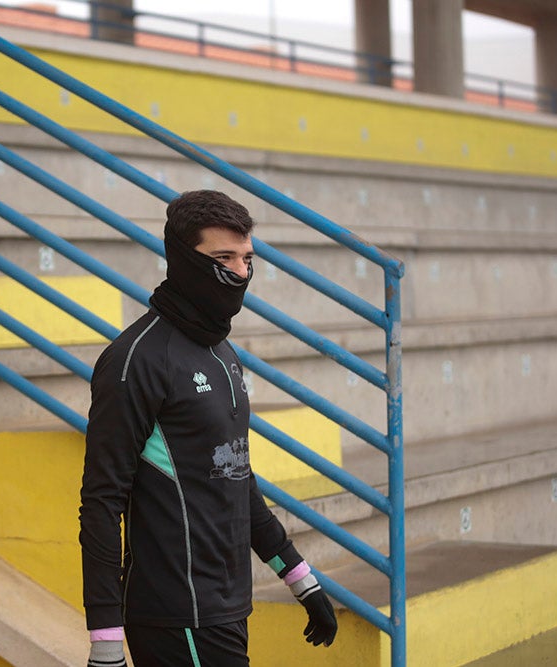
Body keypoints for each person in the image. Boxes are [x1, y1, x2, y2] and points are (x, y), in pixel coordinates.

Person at [79, 190, 338, 667]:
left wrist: (299, 577)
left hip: (227, 605)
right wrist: (106, 638)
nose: (240, 273)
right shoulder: (135, 361)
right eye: (223, 258)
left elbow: (235, 475)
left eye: (247, 259)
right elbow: (101, 502)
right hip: (176, 614)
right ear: (181, 259)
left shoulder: (223, 355)